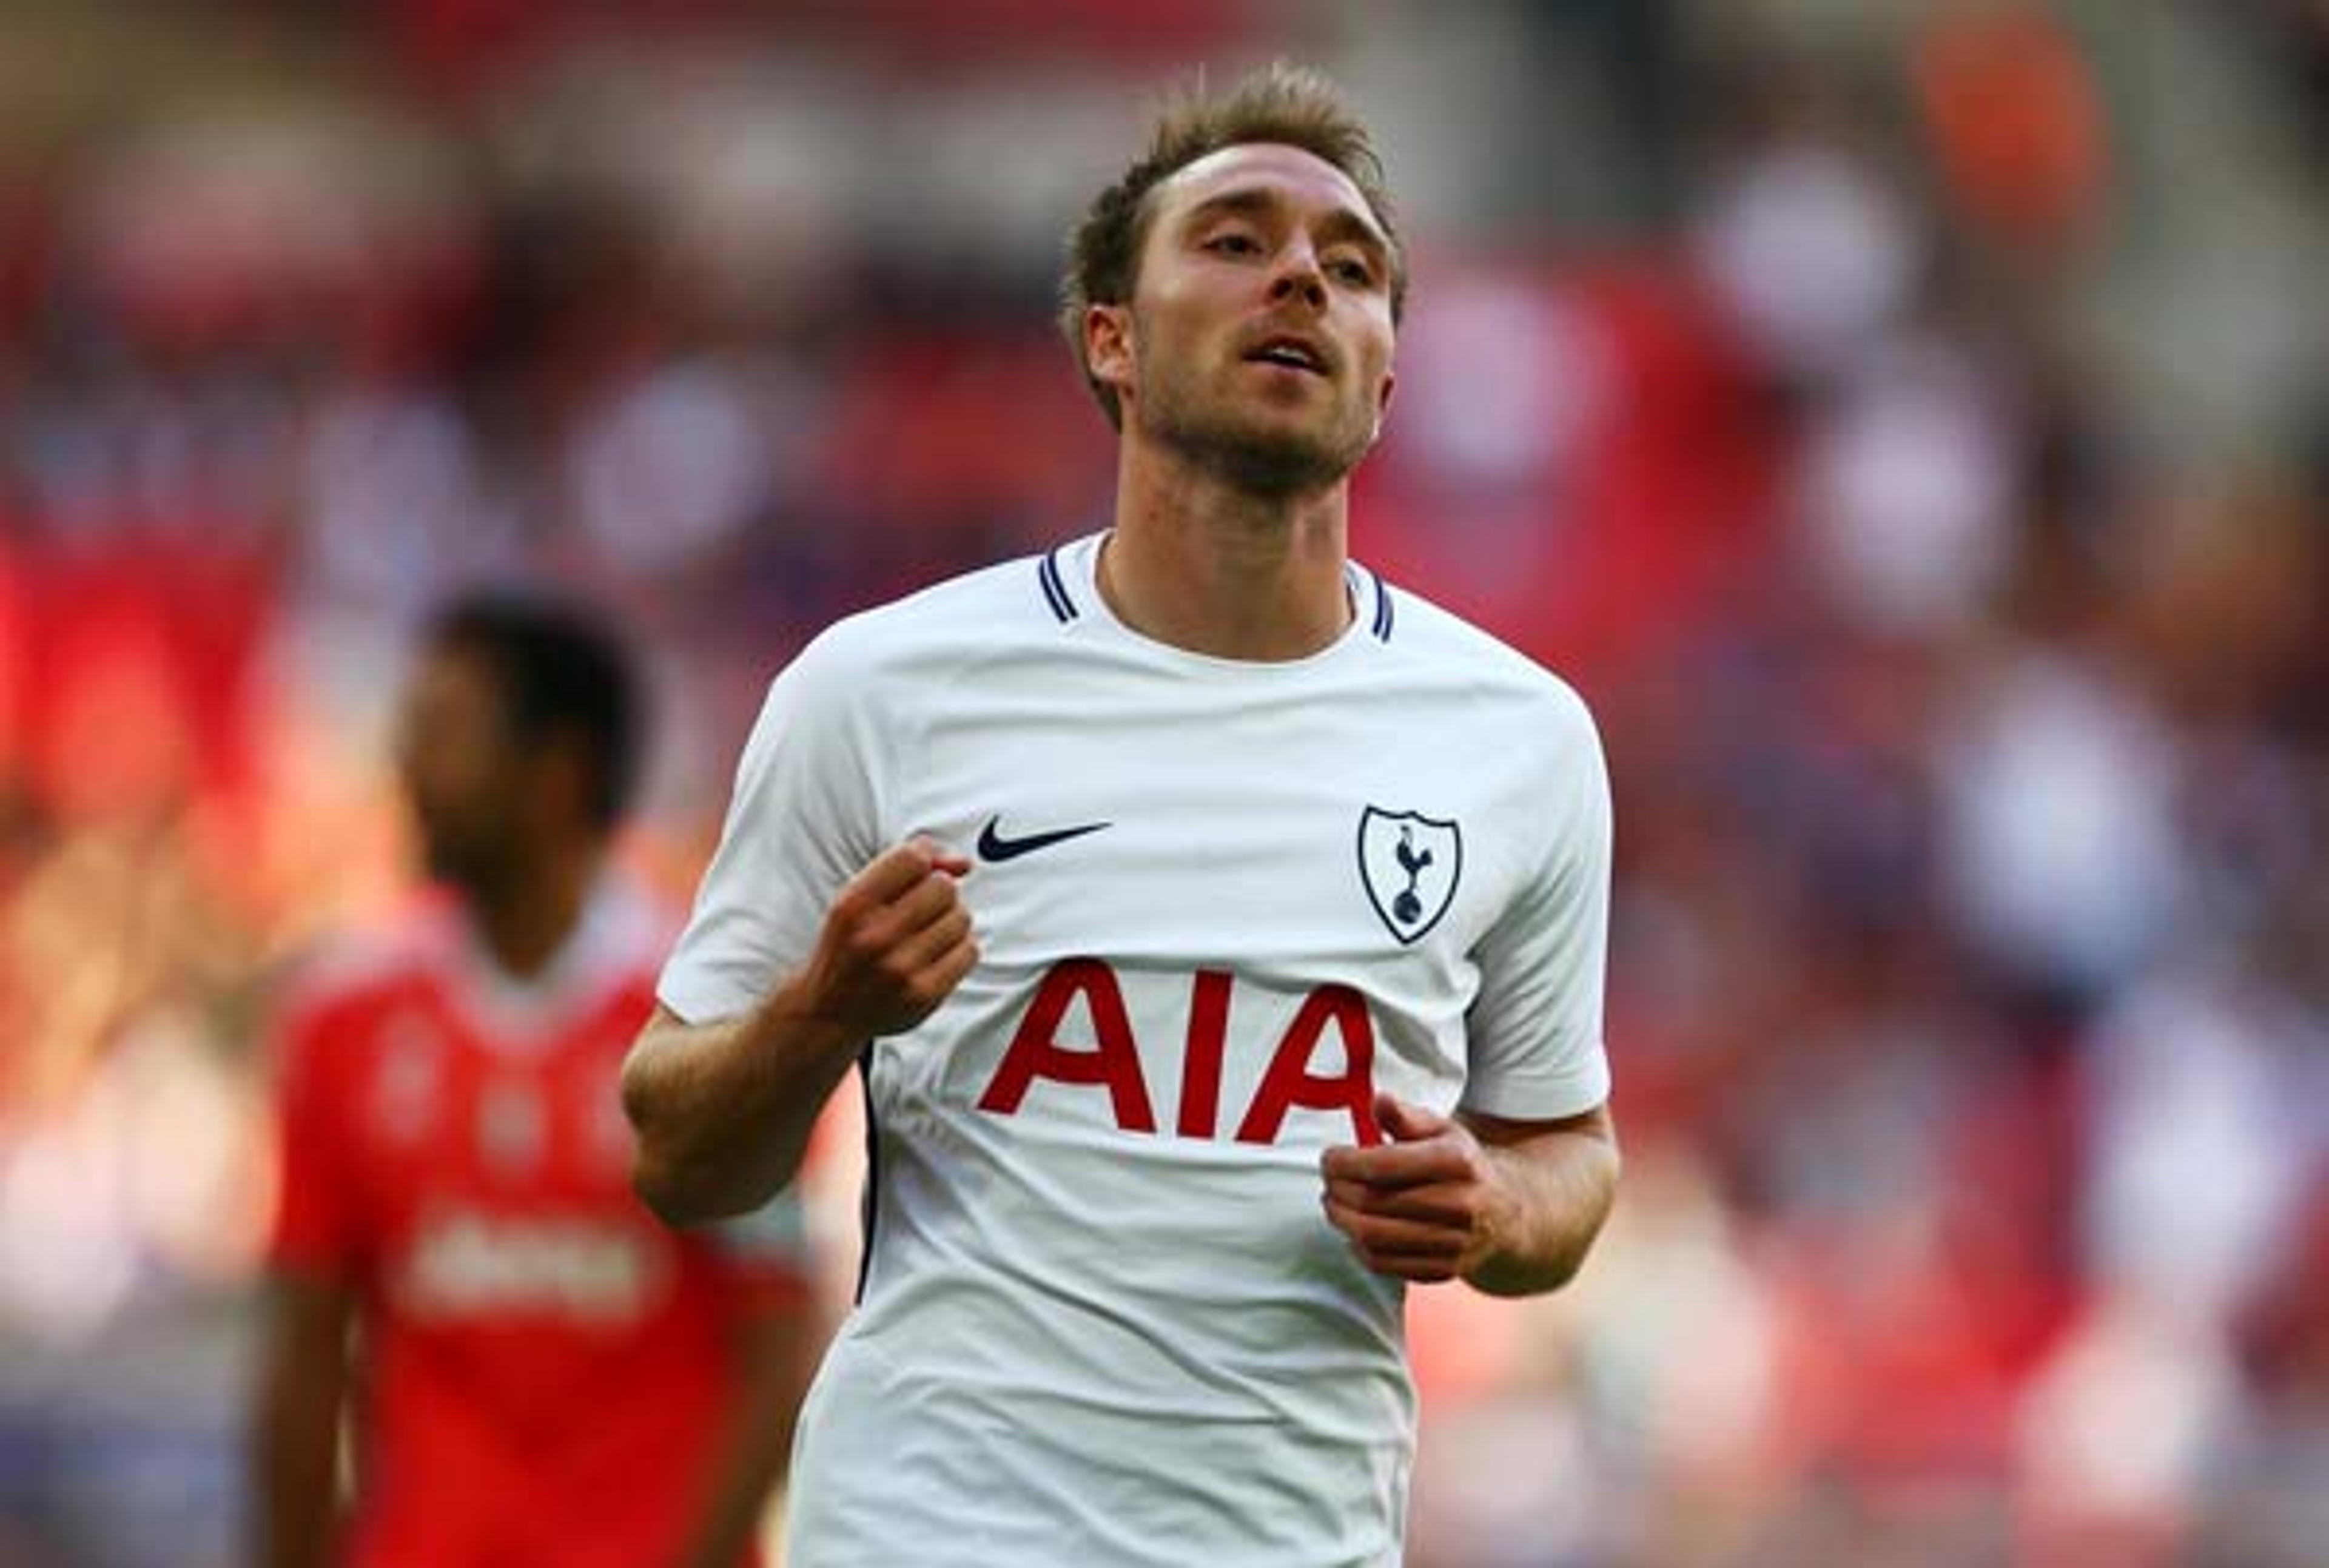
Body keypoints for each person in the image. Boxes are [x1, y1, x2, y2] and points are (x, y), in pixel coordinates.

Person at [620, 61, 1620, 1567]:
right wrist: (823, 1010)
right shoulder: (885, 689)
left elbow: (1572, 1158)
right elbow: (680, 1159)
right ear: (1115, 342)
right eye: (1235, 240)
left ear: (1385, 382)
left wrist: (1491, 1207)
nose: (1301, 274)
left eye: (1350, 271)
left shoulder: (1521, 743)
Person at [251, 594, 822, 1568]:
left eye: (445, 736)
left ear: (557, 775)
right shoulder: (340, 1021)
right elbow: (306, 1353)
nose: (408, 770)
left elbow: (777, 1355)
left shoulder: (706, 1028)